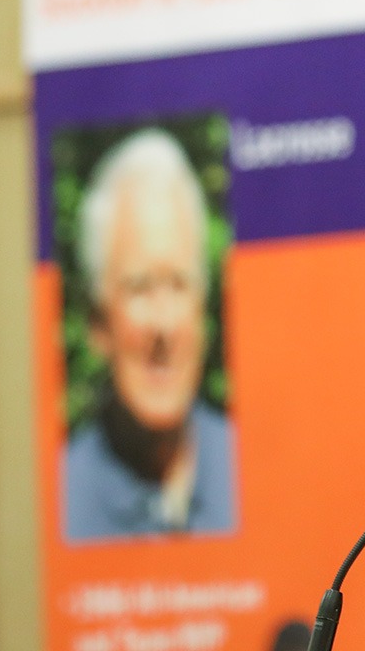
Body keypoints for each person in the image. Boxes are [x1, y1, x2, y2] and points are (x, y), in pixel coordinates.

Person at [63, 127, 236, 542]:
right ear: (98, 324)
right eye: (139, 286)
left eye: (178, 284)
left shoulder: (251, 467)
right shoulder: (60, 501)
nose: (163, 326)